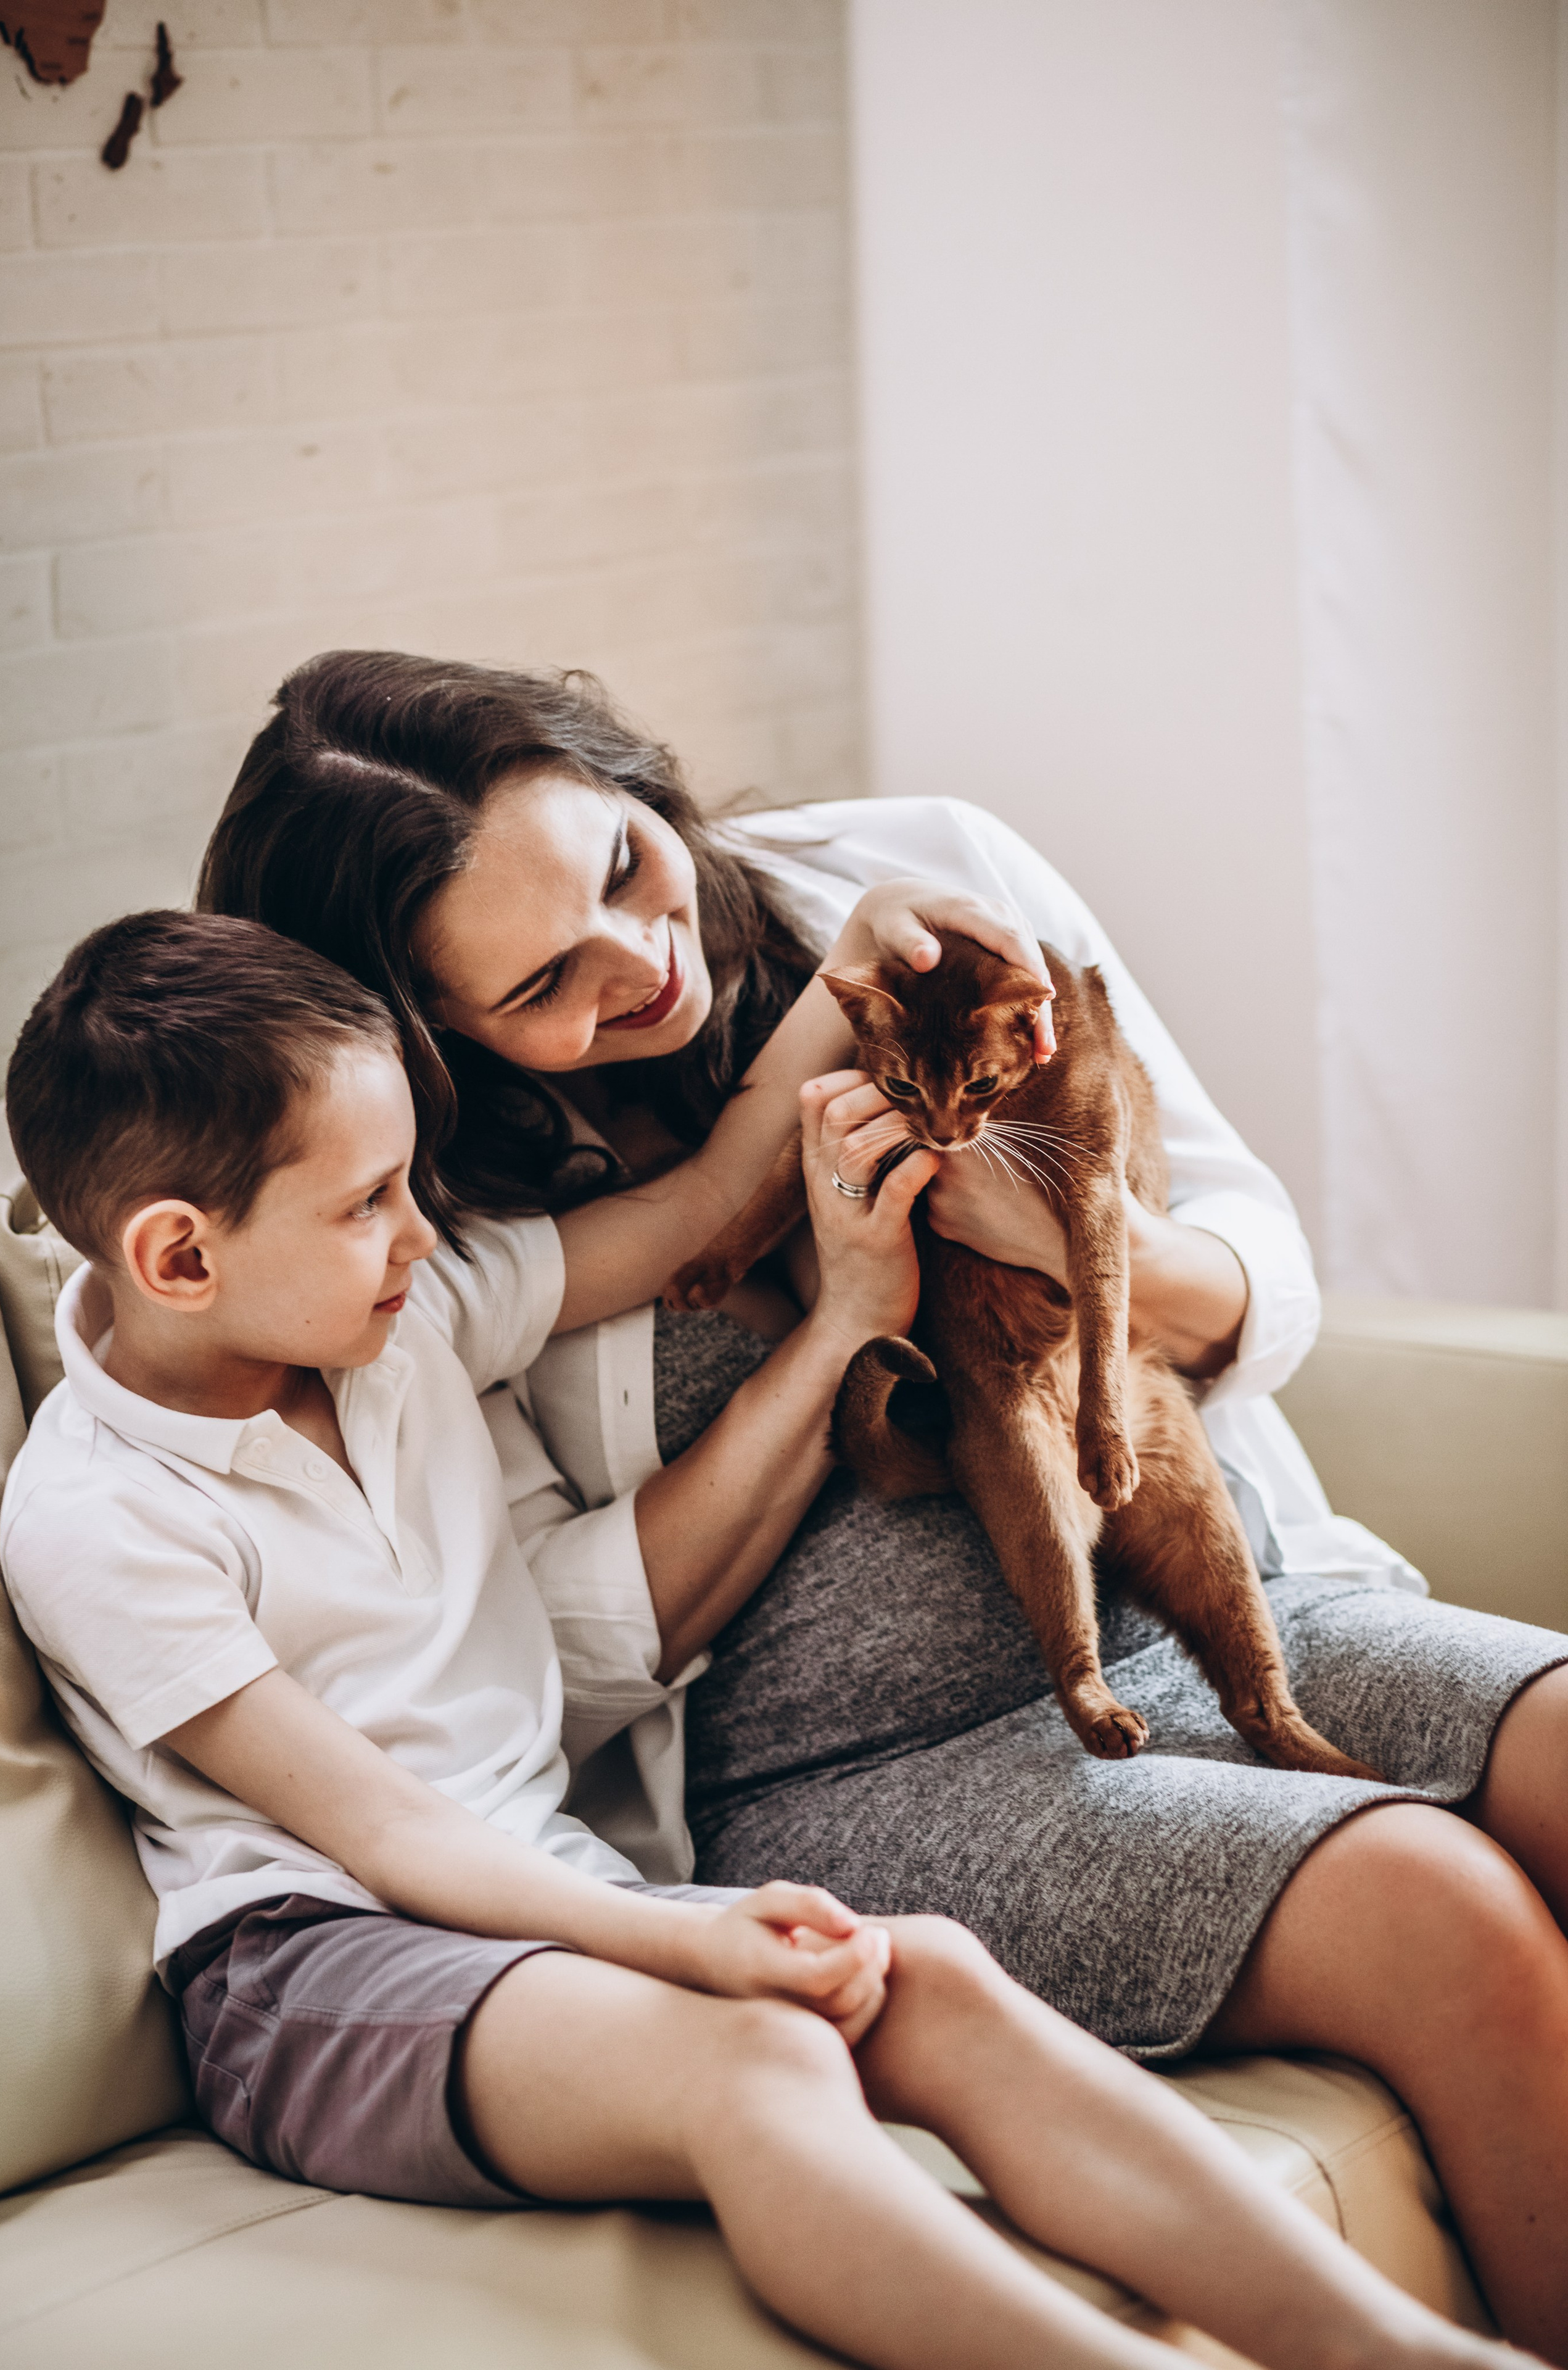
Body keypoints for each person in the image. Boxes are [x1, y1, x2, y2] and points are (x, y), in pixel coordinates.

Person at [198, 650, 1568, 2361]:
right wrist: (832, 1327)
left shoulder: (925, 882)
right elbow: (553, 1647)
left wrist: (1065, 1238)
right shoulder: (422, 1235)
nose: (643, 964)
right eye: (545, 979)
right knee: (1441, 1914)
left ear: (634, 777)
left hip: (1216, 1611)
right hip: (849, 1780)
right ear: (431, 1036)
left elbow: (1261, 1278)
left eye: (625, 867)